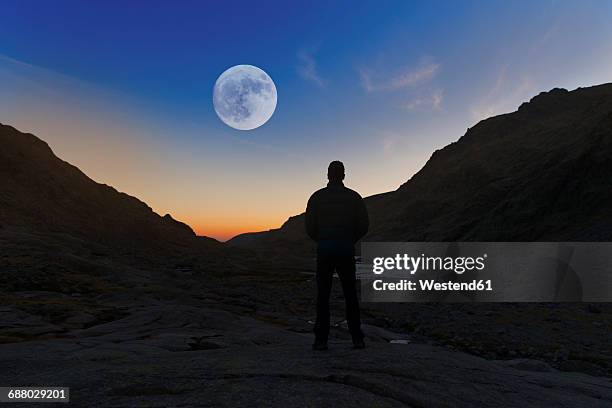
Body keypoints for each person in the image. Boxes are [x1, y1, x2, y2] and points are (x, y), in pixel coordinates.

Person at [305, 160, 369, 350]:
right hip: (346, 252)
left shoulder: (316, 197)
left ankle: (321, 340)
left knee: (323, 296)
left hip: (324, 252)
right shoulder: (354, 197)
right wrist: (349, 240)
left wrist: (322, 240)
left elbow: (310, 227)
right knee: (350, 295)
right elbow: (364, 225)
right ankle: (357, 338)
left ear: (327, 175)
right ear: (343, 175)